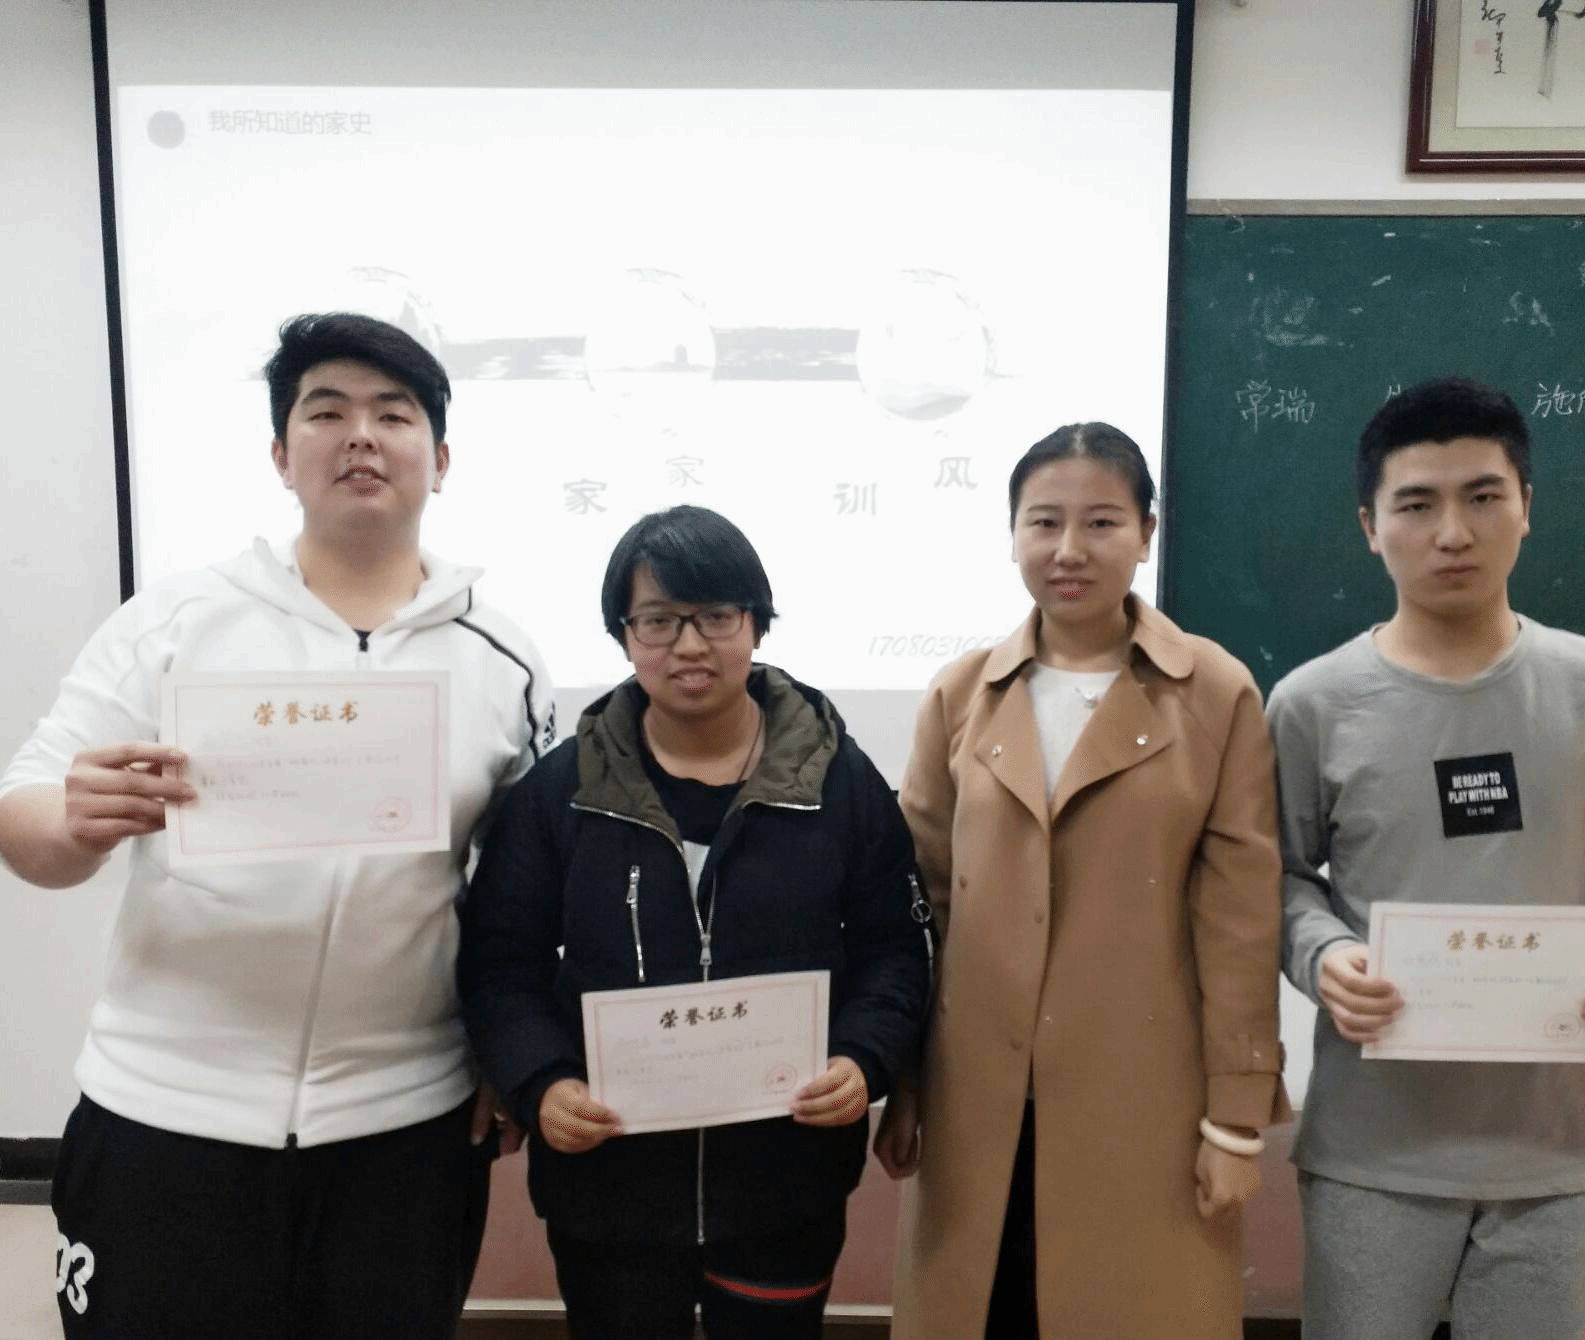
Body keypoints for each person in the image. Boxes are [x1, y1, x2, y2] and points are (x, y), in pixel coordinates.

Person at [0, 312, 554, 1339]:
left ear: (440, 459)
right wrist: (72, 822)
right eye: (326, 411)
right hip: (166, 1109)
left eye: (394, 414)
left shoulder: (503, 663)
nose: (361, 435)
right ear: (279, 453)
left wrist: (506, 1051)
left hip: (405, 1126)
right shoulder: (173, 621)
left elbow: (521, 896)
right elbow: (24, 807)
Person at [1267, 376, 1585, 1340]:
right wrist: (1322, 956)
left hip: (1557, 1152)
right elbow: (1277, 876)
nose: (1452, 533)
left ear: (1525, 507)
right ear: (1369, 526)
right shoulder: (1309, 704)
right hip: (1372, 1151)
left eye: (1481, 496)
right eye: (1416, 505)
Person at [459, 504, 930, 1340]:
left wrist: (862, 1059)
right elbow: (501, 961)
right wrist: (541, 1083)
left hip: (786, 1180)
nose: (688, 644)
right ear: (623, 634)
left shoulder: (841, 782)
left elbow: (895, 946)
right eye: (657, 620)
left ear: (756, 623)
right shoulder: (560, 792)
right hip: (609, 1185)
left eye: (715, 616)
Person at [876, 422, 1290, 1339]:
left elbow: (1239, 919)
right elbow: (920, 905)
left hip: (1146, 1100)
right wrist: (904, 1080)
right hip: (974, 1093)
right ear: (1012, 535)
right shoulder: (959, 693)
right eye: (1043, 522)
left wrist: (1235, 1117)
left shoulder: (1214, 692)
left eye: (1101, 522)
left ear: (1146, 532)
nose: (1068, 549)